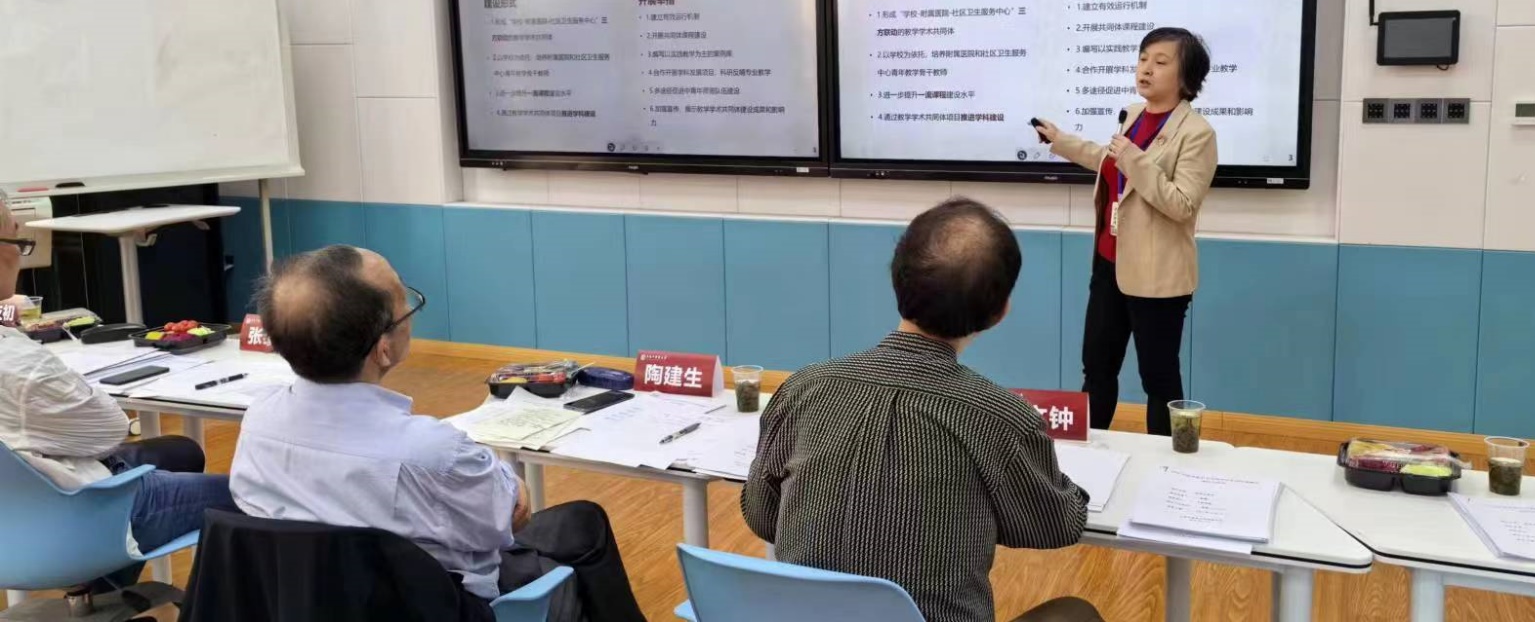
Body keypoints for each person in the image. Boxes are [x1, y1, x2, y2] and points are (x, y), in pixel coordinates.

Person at [230, 245, 644, 622]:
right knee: (582, 525)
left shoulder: (258, 421)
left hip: (309, 602)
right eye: (404, 303)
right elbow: (512, 515)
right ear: (383, 349)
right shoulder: (433, 453)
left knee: (574, 523)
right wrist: (509, 484)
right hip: (437, 606)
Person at [742, 198, 1099, 622]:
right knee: (1076, 613)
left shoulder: (805, 387)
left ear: (897, 281)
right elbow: (1055, 525)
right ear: (1000, 311)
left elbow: (762, 515)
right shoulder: (1001, 418)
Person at [0, 197, 236, 589]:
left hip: (14, 522)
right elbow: (110, 429)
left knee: (181, 451)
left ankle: (108, 598)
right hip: (77, 519)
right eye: (16, 240)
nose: (20, 255)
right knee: (252, 495)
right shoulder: (19, 362)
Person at [1034, 27, 1218, 436]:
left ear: (1186, 77)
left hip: (1157, 277)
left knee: (1159, 378)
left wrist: (1135, 159)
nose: (1146, 68)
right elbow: (1109, 159)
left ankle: (1169, 462)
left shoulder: (1198, 133)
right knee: (1097, 367)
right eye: (1142, 58)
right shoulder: (1134, 114)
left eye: (1160, 62)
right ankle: (1087, 452)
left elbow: (1182, 204)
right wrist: (1061, 141)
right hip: (1109, 263)